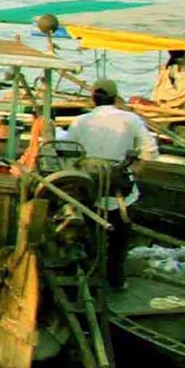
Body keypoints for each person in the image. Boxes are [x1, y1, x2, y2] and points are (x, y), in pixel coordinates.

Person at [58, 81, 158, 290]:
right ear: (116, 97)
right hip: (121, 191)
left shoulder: (80, 121)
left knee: (88, 236)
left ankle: (89, 280)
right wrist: (135, 169)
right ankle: (116, 280)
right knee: (119, 240)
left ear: (93, 98)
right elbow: (150, 151)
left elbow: (67, 150)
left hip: (88, 190)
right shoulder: (131, 119)